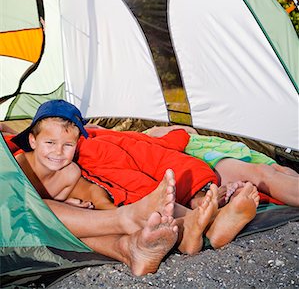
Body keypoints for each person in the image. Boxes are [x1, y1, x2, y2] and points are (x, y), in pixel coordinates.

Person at [3, 100, 259, 267]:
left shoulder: (68, 172)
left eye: (68, 145)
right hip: (17, 224)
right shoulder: (17, 166)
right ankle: (136, 226)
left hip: (54, 227)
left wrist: (102, 206)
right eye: (49, 143)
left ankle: (193, 227)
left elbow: (93, 190)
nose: (58, 152)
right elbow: (14, 204)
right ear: (33, 141)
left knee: (119, 193)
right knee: (38, 207)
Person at [144, 125, 299, 207]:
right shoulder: (148, 137)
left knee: (277, 169)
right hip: (210, 154)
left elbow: (190, 130)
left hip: (225, 147)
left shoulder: (150, 135)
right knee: (263, 172)